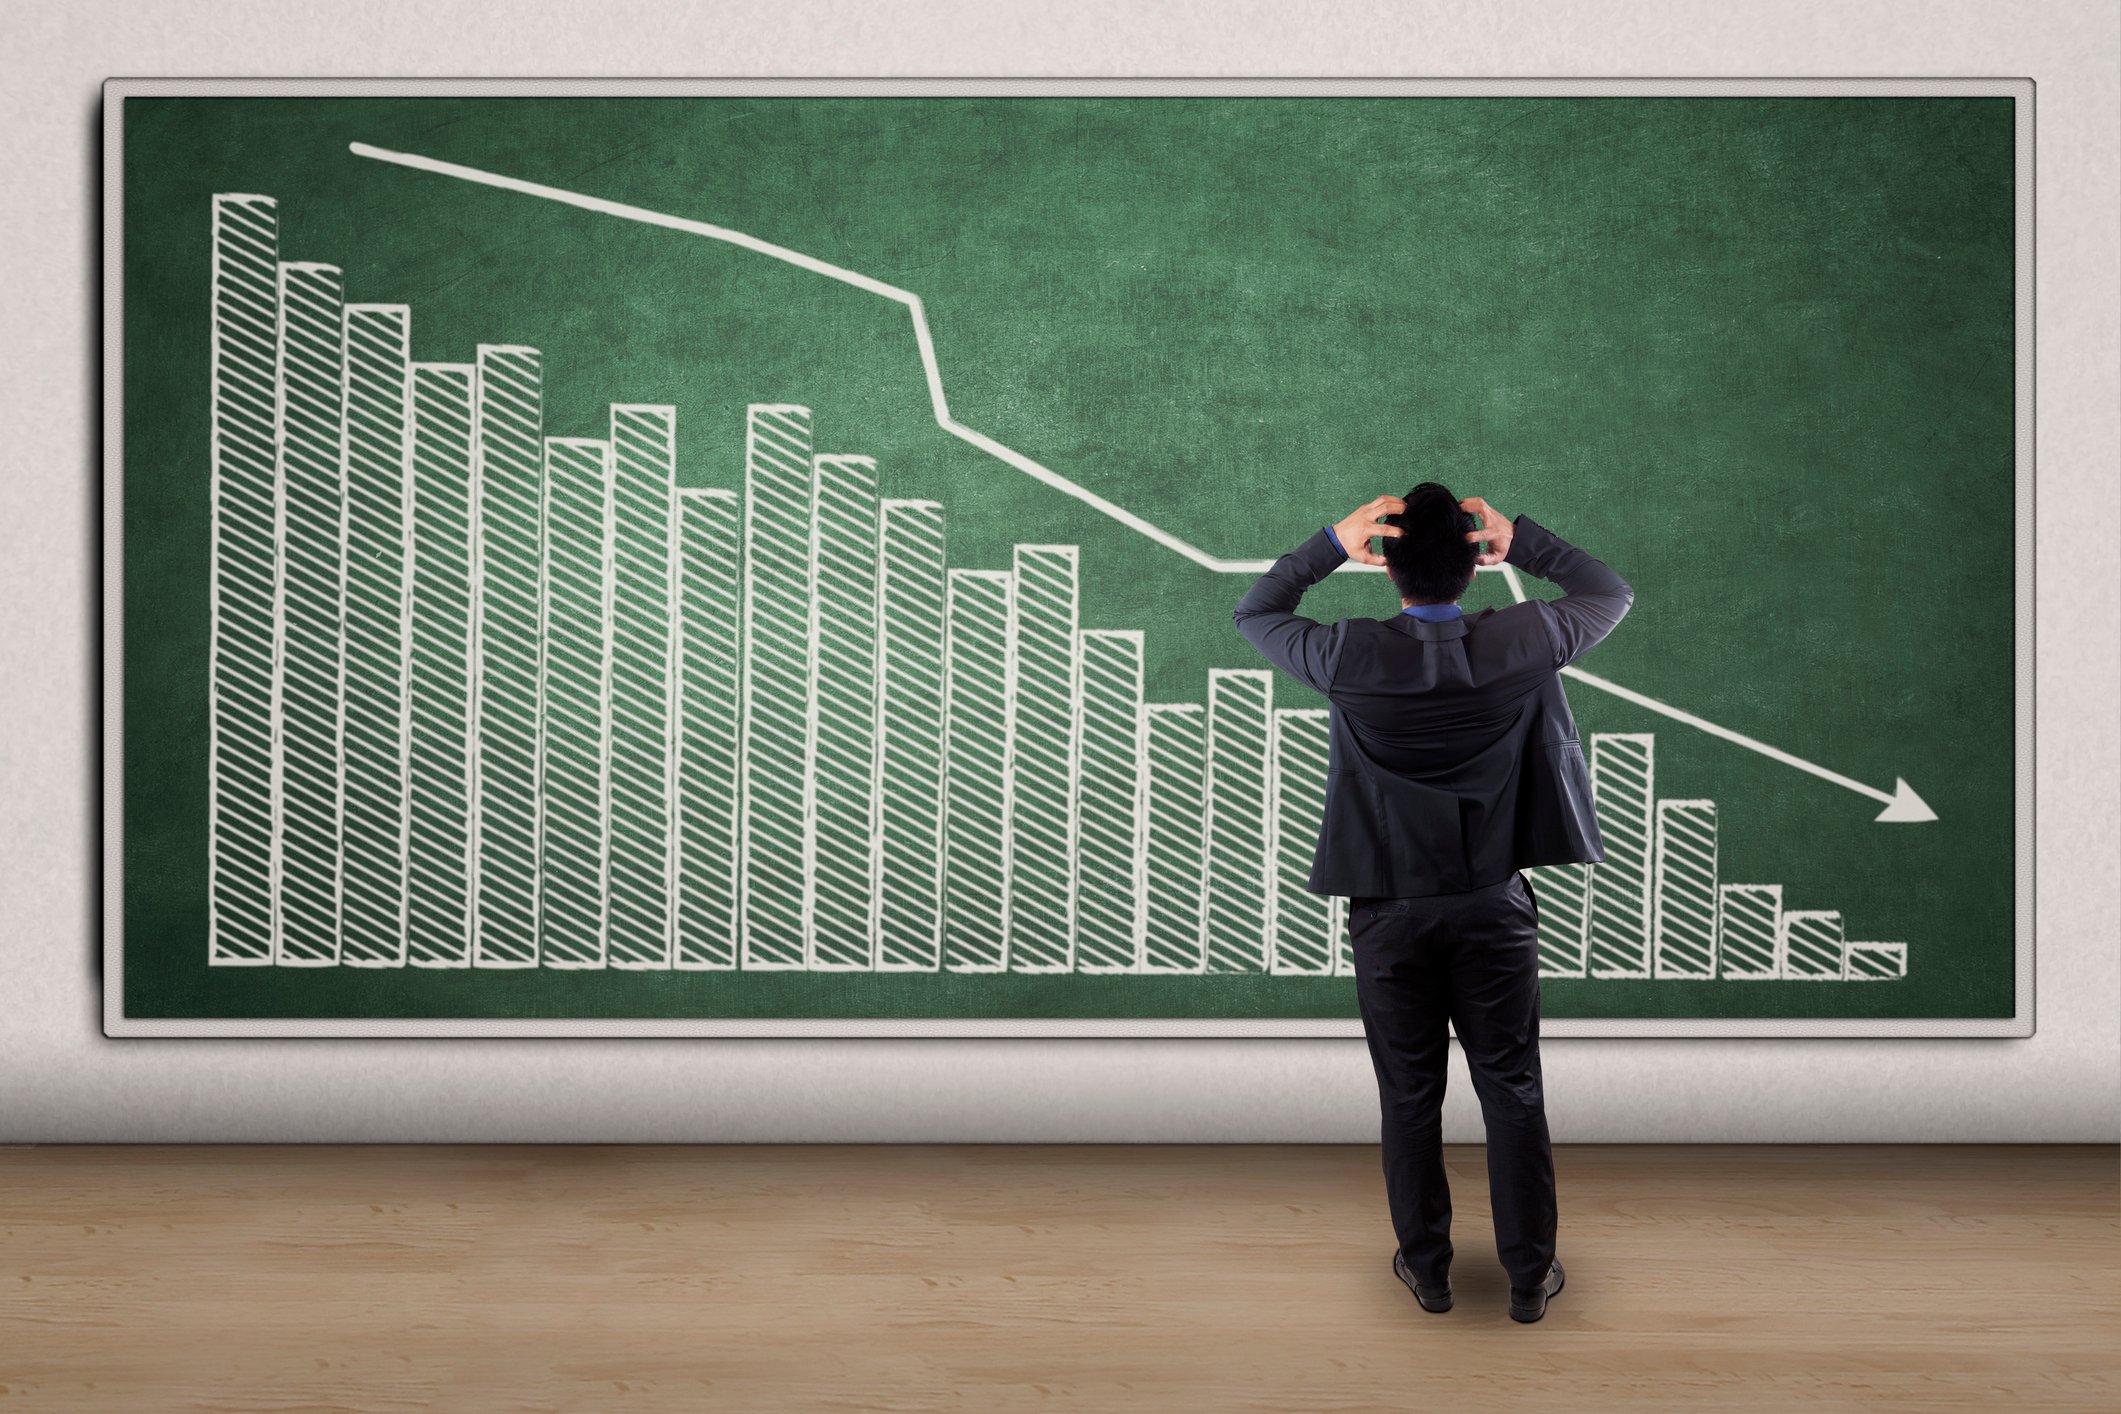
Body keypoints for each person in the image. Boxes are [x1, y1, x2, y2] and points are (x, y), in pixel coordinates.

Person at [1232, 484, 1634, 1324]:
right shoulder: (1524, 639)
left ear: (1386, 567)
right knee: (1512, 1089)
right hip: (1491, 907)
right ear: (1470, 558)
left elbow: (1257, 609)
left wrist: (1329, 544)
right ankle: (1529, 1279)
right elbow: (1607, 592)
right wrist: (1520, 538)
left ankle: (1428, 1272)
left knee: (1408, 1096)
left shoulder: (1348, 655)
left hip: (1389, 914)